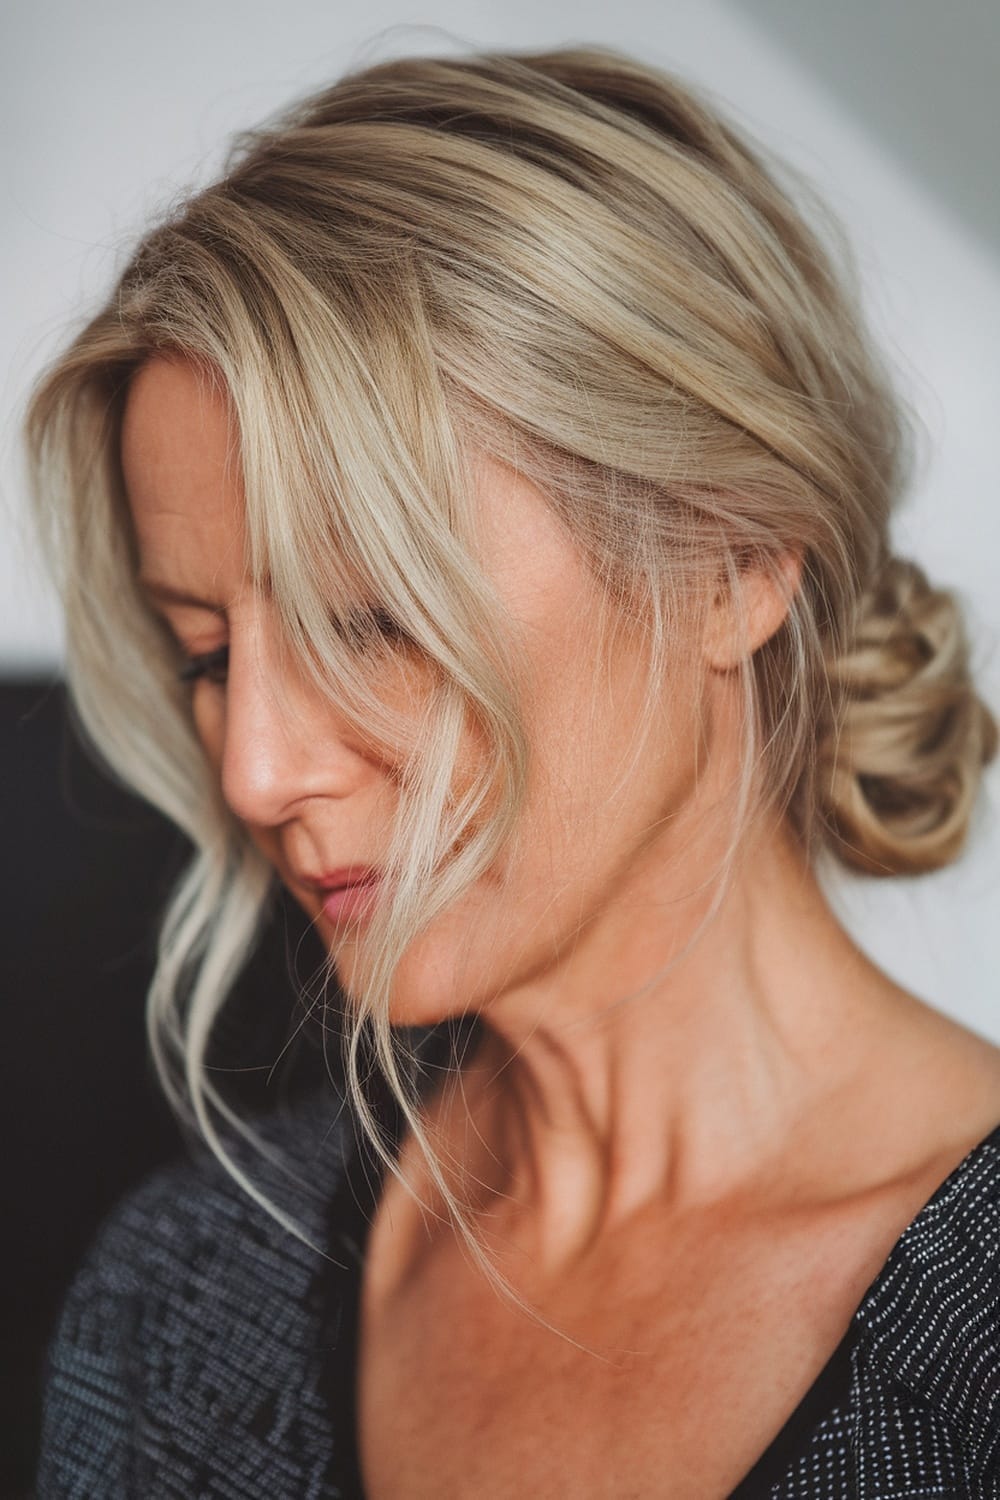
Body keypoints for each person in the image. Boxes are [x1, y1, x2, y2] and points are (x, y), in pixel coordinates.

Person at [26, 42, 1000, 1500]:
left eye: (374, 619)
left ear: (736, 557)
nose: (255, 768)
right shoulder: (187, 1292)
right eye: (209, 654)